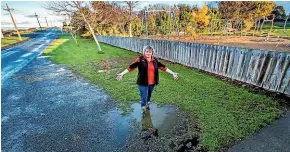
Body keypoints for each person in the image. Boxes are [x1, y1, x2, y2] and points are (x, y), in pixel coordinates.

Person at [116, 45, 179, 110]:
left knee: (149, 95)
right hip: (142, 83)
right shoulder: (140, 59)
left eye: (150, 52)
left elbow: (163, 67)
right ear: (144, 52)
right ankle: (143, 108)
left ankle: (147, 104)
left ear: (152, 52)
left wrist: (173, 73)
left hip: (152, 83)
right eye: (146, 51)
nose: (148, 53)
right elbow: (131, 67)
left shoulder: (155, 60)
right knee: (144, 97)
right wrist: (122, 73)